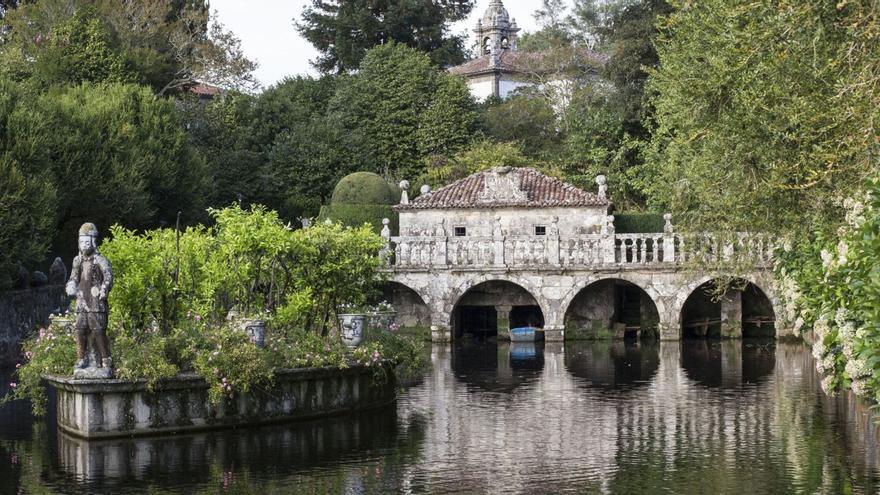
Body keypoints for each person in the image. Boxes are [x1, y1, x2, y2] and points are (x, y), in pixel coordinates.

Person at [66, 223, 113, 371]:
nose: (84, 245)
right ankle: (81, 358)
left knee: (98, 330)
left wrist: (104, 289)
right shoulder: (77, 261)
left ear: (93, 242)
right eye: (81, 242)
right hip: (81, 300)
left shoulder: (100, 260)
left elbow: (108, 276)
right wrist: (71, 285)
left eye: (87, 242)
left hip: (96, 300)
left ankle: (106, 359)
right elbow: (73, 277)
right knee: (80, 329)